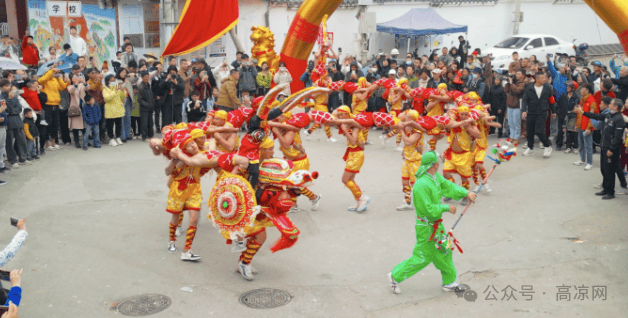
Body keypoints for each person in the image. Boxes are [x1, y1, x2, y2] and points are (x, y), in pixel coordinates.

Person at [389, 151, 476, 294]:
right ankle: (395, 276)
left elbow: (448, 186)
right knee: (422, 257)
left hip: (437, 225)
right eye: (437, 162)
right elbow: (427, 209)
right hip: (426, 227)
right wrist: (446, 207)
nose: (439, 163)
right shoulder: (421, 185)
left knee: (445, 251)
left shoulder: (435, 177)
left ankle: (448, 282)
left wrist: (466, 193)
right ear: (434, 164)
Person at [576, 98, 627, 199]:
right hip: (604, 147)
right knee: (604, 169)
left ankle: (611, 192)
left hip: (611, 150)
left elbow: (617, 138)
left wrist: (611, 149)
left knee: (610, 171)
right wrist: (583, 113)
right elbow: (597, 116)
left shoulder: (619, 119)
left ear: (616, 107)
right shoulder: (609, 115)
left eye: (611, 104)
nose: (609, 106)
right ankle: (605, 188)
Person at [522, 73, 555, 158]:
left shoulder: (548, 87)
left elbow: (551, 100)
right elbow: (525, 100)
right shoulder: (529, 87)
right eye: (542, 77)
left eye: (545, 77)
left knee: (539, 131)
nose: (545, 79)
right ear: (537, 79)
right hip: (531, 112)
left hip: (542, 112)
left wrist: (554, 111)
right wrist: (524, 110)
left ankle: (547, 146)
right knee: (530, 131)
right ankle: (530, 148)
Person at [396, 110, 424, 211]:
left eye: (407, 116)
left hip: (416, 161)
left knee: (415, 184)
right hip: (407, 160)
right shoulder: (407, 129)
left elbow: (408, 141)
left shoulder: (417, 132)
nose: (405, 117)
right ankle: (407, 202)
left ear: (411, 119)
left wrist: (401, 131)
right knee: (404, 182)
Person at [1, 80, 29, 168]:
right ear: (1, 88)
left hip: (17, 119)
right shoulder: (2, 97)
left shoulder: (14, 95)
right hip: (8, 121)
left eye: (8, 85)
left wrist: (13, 111)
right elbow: (6, 109)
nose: (8, 87)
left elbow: (19, 108)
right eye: (5, 86)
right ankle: (12, 160)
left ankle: (23, 158)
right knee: (9, 142)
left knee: (22, 140)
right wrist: (9, 100)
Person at [573, 83, 598, 170]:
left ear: (587, 90)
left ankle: (589, 162)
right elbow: (579, 113)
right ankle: (582, 159)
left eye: (582, 89)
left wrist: (589, 128)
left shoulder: (592, 101)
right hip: (580, 125)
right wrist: (576, 124)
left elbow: (592, 116)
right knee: (581, 144)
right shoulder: (582, 100)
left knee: (588, 145)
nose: (580, 90)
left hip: (587, 126)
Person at [556, 81, 581, 152]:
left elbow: (578, 108)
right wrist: (559, 113)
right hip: (562, 116)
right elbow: (558, 106)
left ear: (573, 88)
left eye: (569, 86)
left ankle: (572, 146)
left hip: (572, 118)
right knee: (560, 130)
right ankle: (559, 144)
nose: (567, 88)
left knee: (572, 132)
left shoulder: (576, 98)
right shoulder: (563, 96)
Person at [103, 75, 126, 147]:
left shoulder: (117, 87)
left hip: (118, 109)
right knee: (110, 125)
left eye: (114, 80)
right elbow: (107, 98)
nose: (113, 82)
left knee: (118, 124)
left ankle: (118, 137)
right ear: (107, 81)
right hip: (110, 110)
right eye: (111, 80)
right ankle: (111, 138)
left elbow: (123, 96)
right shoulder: (105, 89)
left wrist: (122, 90)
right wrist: (114, 91)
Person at [66, 73, 86, 148]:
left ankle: (85, 141)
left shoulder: (82, 85)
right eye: (74, 77)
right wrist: (76, 84)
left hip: (83, 106)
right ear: (71, 79)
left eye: (77, 77)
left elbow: (87, 88)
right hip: (75, 107)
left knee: (84, 126)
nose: (76, 78)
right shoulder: (70, 86)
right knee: (75, 127)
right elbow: (71, 91)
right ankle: (76, 142)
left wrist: (84, 82)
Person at [138, 71, 155, 141]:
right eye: (146, 77)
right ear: (142, 78)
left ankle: (150, 135)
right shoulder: (141, 86)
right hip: (144, 108)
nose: (147, 78)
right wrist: (147, 104)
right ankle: (144, 136)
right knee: (144, 123)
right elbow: (140, 99)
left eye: (148, 76)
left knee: (150, 122)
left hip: (150, 107)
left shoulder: (148, 84)